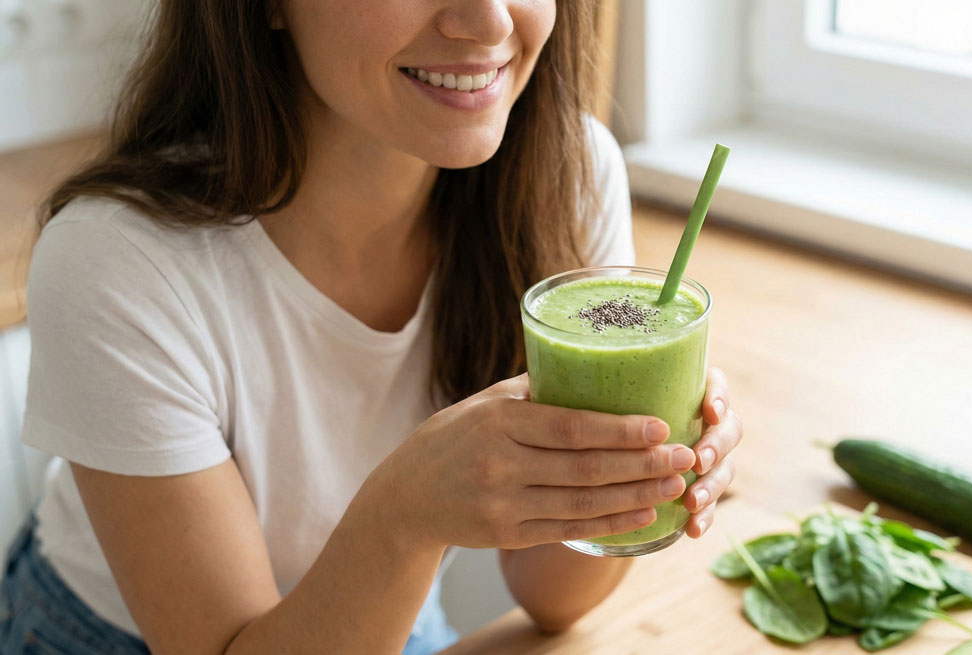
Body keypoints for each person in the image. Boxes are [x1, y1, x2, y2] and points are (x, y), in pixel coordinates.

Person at [0, 1, 742, 654]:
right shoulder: (117, 260)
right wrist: (404, 511)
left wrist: (637, 476)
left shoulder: (567, 174)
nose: (488, 21)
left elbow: (554, 594)